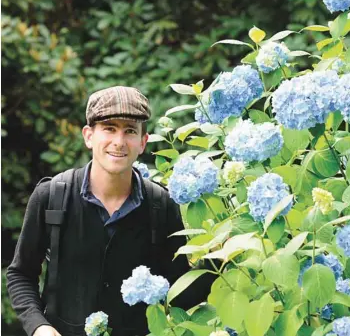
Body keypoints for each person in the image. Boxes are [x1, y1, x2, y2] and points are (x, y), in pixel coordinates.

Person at [7, 86, 211, 336]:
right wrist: (39, 327)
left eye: (130, 131)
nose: (119, 141)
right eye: (109, 128)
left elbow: (178, 294)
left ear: (142, 142)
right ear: (88, 136)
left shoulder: (161, 204)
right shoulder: (52, 197)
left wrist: (218, 258)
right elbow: (20, 275)